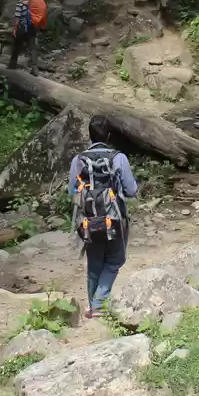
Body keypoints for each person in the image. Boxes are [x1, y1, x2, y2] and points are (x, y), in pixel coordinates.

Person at [68, 115, 139, 318]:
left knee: (94, 261)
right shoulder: (119, 158)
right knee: (115, 259)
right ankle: (99, 304)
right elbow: (131, 190)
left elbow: (72, 191)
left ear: (89, 136)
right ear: (108, 136)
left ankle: (92, 307)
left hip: (88, 220)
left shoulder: (78, 160)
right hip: (114, 218)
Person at [8, 0, 47, 74]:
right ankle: (34, 68)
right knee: (32, 48)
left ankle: (12, 65)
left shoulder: (20, 3)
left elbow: (17, 18)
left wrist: (15, 30)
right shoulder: (30, 2)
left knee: (17, 45)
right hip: (31, 27)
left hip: (22, 28)